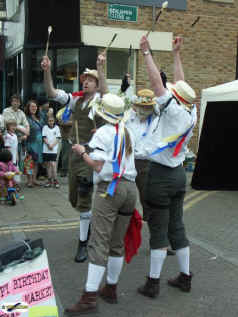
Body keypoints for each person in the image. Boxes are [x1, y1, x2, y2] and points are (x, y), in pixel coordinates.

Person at [65, 92, 137, 315]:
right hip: (130, 190)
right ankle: (111, 289)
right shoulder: (125, 131)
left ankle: (89, 297)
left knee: (98, 243)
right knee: (117, 244)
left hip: (110, 191)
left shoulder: (102, 133)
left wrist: (82, 151)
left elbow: (97, 166)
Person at [136, 35, 197, 298]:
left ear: (175, 99)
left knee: (159, 230)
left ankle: (152, 284)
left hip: (160, 176)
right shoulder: (191, 112)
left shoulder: (172, 111)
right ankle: (185, 277)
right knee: (178, 227)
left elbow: (156, 84)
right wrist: (176, 55)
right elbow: (181, 86)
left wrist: (147, 52)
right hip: (178, 175)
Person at [41, 55, 105, 263]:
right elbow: (51, 92)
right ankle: (89, 224)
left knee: (84, 198)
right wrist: (47, 70)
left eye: (90, 79)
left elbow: (105, 93)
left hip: (91, 154)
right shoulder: (75, 99)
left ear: (96, 84)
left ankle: (83, 243)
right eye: (84, 78)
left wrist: (100, 68)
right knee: (73, 199)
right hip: (73, 156)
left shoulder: (100, 101)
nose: (85, 81)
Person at [3, 94, 30, 171]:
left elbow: (27, 125)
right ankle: (7, 179)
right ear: (11, 102)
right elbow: (10, 124)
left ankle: (15, 180)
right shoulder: (6, 111)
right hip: (9, 140)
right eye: (14, 101)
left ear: (20, 103)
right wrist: (22, 129)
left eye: (17, 101)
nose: (16, 103)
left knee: (18, 161)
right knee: (8, 160)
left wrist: (26, 134)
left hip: (20, 140)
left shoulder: (21, 112)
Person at [24, 100, 44, 187]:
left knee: (36, 162)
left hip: (39, 143)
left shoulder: (39, 117)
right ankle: (29, 180)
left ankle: (34, 179)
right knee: (29, 162)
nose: (34, 108)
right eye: (32, 106)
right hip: (30, 142)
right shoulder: (26, 118)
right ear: (28, 108)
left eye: (35, 106)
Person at [42, 116, 61, 188]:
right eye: (49, 121)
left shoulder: (57, 128)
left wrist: (52, 145)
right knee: (48, 165)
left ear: (54, 121)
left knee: (53, 164)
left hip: (54, 149)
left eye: (52, 121)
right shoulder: (45, 127)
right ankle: (49, 180)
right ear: (47, 121)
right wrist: (48, 145)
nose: (51, 122)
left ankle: (55, 180)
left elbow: (58, 138)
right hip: (46, 149)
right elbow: (44, 137)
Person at [56, 109, 72, 178]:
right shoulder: (63, 111)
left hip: (74, 136)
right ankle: (64, 170)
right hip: (65, 136)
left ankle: (71, 171)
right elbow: (60, 122)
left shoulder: (76, 110)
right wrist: (72, 122)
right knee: (65, 155)